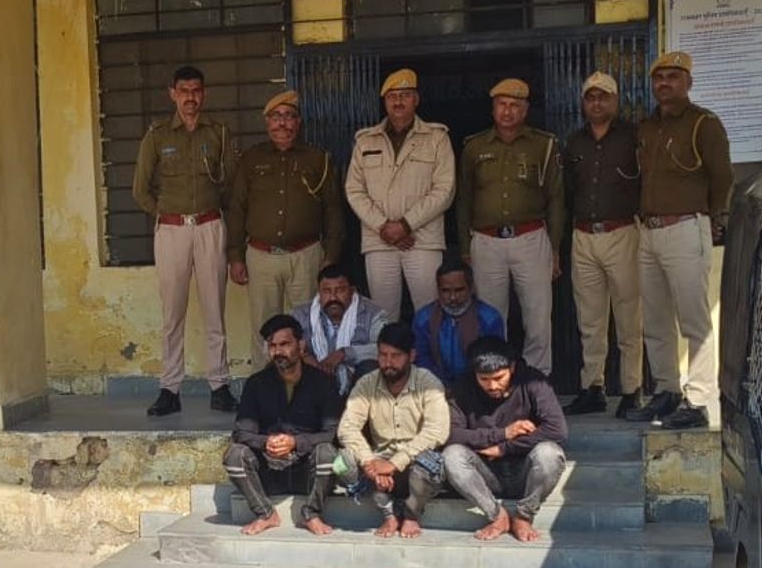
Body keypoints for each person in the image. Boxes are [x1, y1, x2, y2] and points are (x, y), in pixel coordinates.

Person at [628, 51, 734, 430]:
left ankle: (700, 399)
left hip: (686, 227)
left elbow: (722, 177)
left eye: (673, 77)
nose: (665, 84)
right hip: (649, 231)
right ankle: (667, 390)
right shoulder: (646, 126)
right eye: (659, 78)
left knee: (694, 320)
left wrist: (717, 218)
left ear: (688, 82)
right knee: (655, 319)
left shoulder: (704, 123)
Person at [132, 65, 238, 417]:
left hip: (209, 225)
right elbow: (140, 189)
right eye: (184, 91)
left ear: (203, 94)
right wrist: (165, 215)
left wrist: (219, 220)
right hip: (172, 229)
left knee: (214, 309)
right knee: (172, 313)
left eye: (196, 91)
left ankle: (219, 386)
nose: (190, 98)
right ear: (172, 94)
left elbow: (231, 184)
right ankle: (169, 388)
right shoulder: (157, 135)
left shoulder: (218, 132)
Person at [227, 90, 344, 368]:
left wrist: (331, 255)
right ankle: (264, 385)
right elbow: (236, 208)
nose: (282, 123)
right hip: (261, 256)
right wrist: (235, 256)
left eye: (289, 116)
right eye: (276, 116)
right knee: (263, 328)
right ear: (267, 122)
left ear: (298, 122)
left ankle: (307, 384)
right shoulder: (251, 159)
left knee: (308, 326)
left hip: (306, 255)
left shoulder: (318, 158)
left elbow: (333, 208)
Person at [457, 78, 565, 376]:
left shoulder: (544, 145)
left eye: (515, 105)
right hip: (486, 241)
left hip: (530, 237)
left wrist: (555, 247)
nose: (507, 111)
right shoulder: (474, 146)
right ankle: (495, 379)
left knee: (538, 316)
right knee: (490, 317)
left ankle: (537, 379)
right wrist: (465, 248)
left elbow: (556, 199)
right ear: (493, 109)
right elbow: (464, 199)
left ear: (526, 109)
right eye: (502, 104)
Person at [345, 68, 456, 321]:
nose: (398, 101)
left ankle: (428, 351)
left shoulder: (437, 138)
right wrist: (384, 226)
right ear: (384, 101)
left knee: (431, 315)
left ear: (416, 99)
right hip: (379, 240)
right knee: (383, 318)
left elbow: (445, 189)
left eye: (405, 95)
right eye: (392, 96)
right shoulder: (366, 141)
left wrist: (405, 225)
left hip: (422, 239)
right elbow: (354, 189)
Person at [563, 70, 643, 418]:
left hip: (622, 231)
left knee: (629, 316)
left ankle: (631, 389)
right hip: (583, 235)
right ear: (584, 102)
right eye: (590, 97)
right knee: (590, 319)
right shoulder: (575, 141)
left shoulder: (633, 136)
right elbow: (567, 190)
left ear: (616, 100)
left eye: (603, 96)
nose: (596, 103)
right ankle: (592, 387)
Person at [223, 314, 341, 537]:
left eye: (285, 344)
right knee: (234, 455)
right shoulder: (256, 383)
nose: (278, 351)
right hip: (269, 470)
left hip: (307, 471)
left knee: (327, 453)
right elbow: (241, 432)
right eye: (273, 346)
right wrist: (266, 442)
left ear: (301, 346)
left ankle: (311, 513)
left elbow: (333, 433)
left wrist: (295, 442)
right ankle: (266, 513)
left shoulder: (323, 383)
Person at [443, 336, 567, 543]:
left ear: (512, 368)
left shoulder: (534, 382)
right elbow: (450, 434)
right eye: (484, 379)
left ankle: (524, 516)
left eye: (499, 378)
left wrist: (504, 448)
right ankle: (497, 516)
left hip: (526, 471)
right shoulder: (463, 387)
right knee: (452, 455)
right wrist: (502, 434)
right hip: (484, 473)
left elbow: (557, 430)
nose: (492, 385)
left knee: (550, 453)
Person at [335, 322, 450, 539]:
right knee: (341, 462)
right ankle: (388, 512)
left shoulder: (428, 382)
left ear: (411, 356)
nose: (388, 362)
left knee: (430, 463)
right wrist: (369, 462)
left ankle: (411, 513)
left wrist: (395, 463)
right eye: (383, 355)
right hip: (378, 462)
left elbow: (437, 431)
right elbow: (347, 428)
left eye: (396, 356)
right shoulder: (367, 383)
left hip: (415, 461)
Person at [291, 263, 388, 395]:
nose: (333, 297)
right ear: (318, 292)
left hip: (357, 384)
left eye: (340, 290)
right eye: (326, 291)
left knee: (371, 368)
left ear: (352, 291)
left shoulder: (373, 313)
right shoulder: (301, 314)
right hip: (311, 382)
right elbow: (275, 345)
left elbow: (386, 349)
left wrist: (344, 354)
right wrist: (303, 356)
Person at [411, 261, 505, 392]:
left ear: (471, 288)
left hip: (478, 388)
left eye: (459, 290)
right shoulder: (423, 318)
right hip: (435, 387)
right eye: (445, 291)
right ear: (438, 290)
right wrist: (441, 386)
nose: (453, 297)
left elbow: (492, 360)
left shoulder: (489, 318)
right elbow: (422, 359)